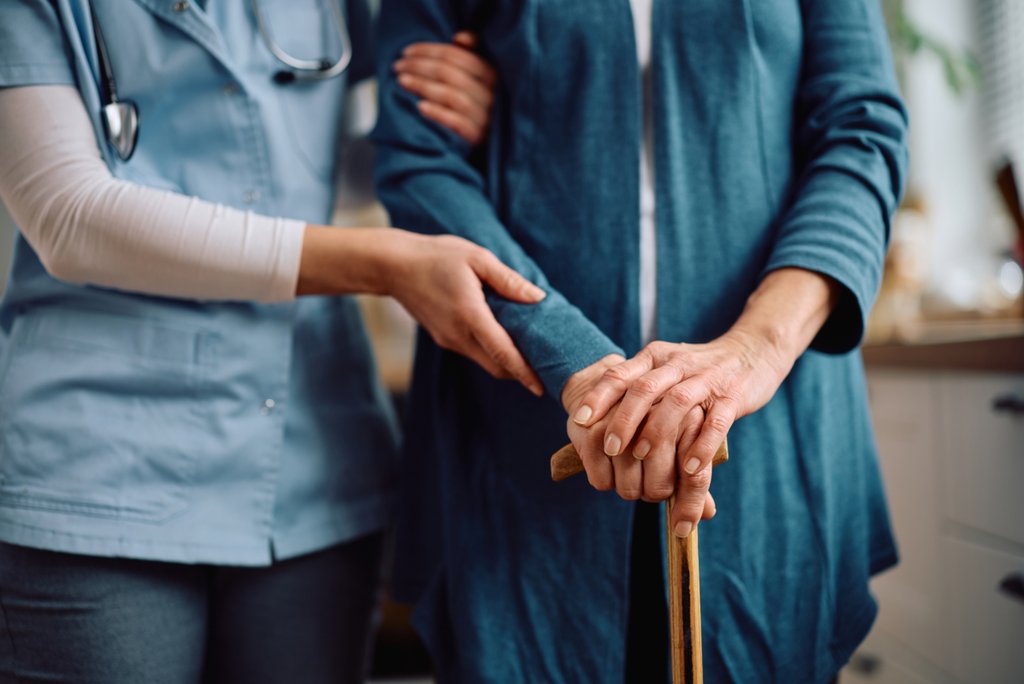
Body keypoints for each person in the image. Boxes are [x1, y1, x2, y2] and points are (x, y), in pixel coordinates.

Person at [374, 0, 908, 681]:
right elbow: (418, 159)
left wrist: (755, 349)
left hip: (772, 424)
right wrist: (573, 358)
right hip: (519, 427)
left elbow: (861, 131)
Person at [0, 1, 534, 682]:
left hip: (311, 465)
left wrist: (444, 121)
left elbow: (314, 161)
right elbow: (70, 218)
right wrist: (382, 263)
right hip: (101, 473)